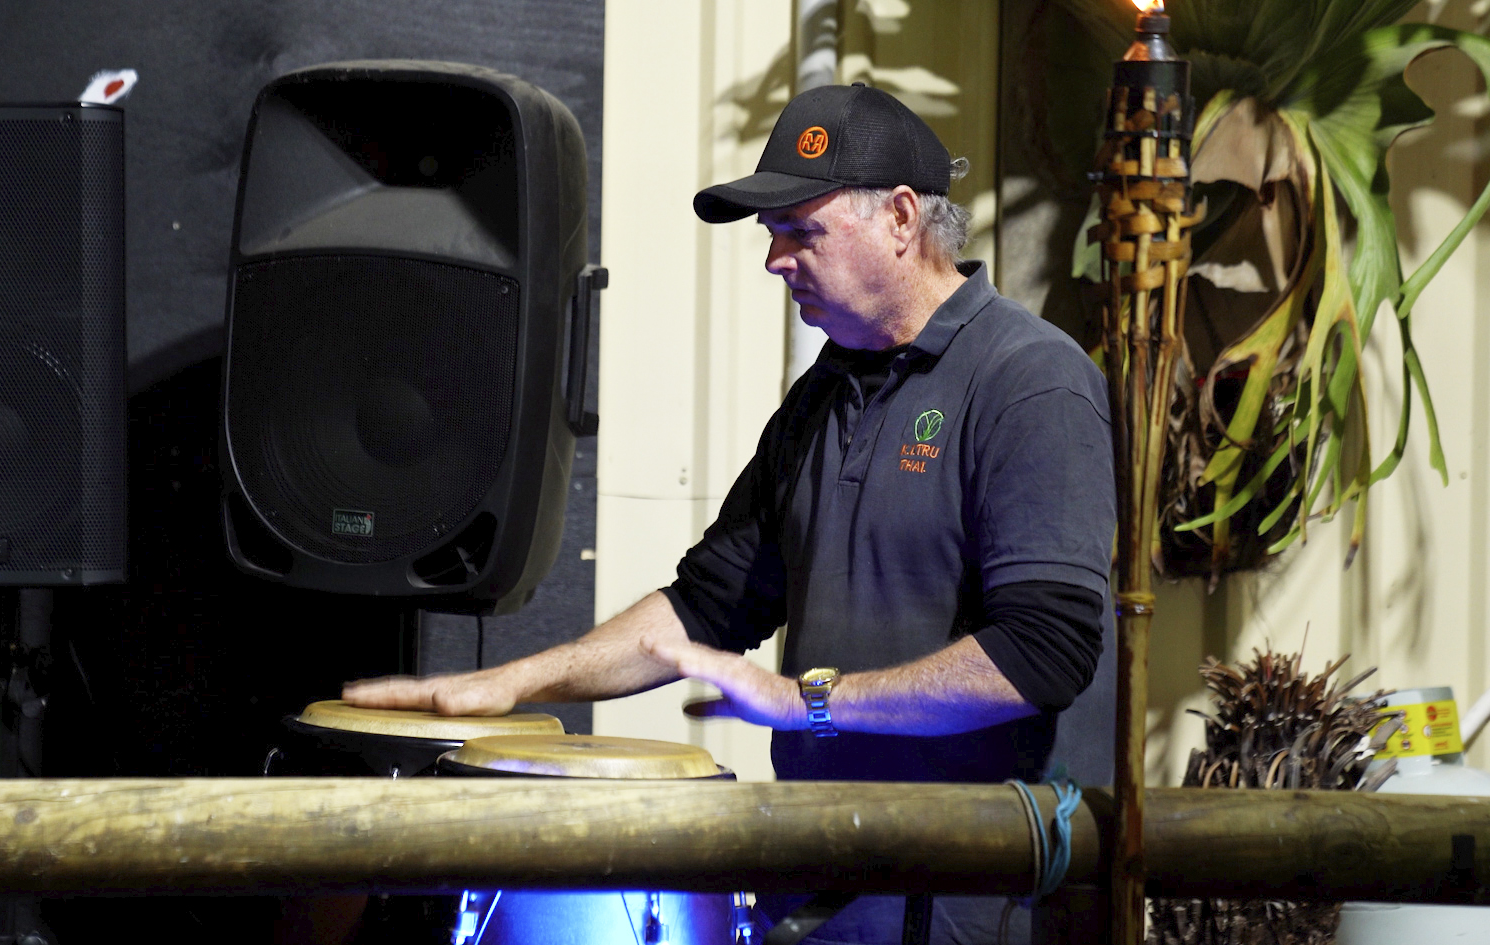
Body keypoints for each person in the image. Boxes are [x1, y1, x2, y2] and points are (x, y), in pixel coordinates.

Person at [343, 82, 1116, 945]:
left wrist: (807, 701)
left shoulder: (1031, 379)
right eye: (771, 235)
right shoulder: (820, 398)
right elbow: (708, 603)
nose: (775, 259)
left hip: (973, 902)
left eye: (801, 231)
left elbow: (1043, 653)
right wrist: (511, 684)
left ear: (902, 219)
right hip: (814, 884)